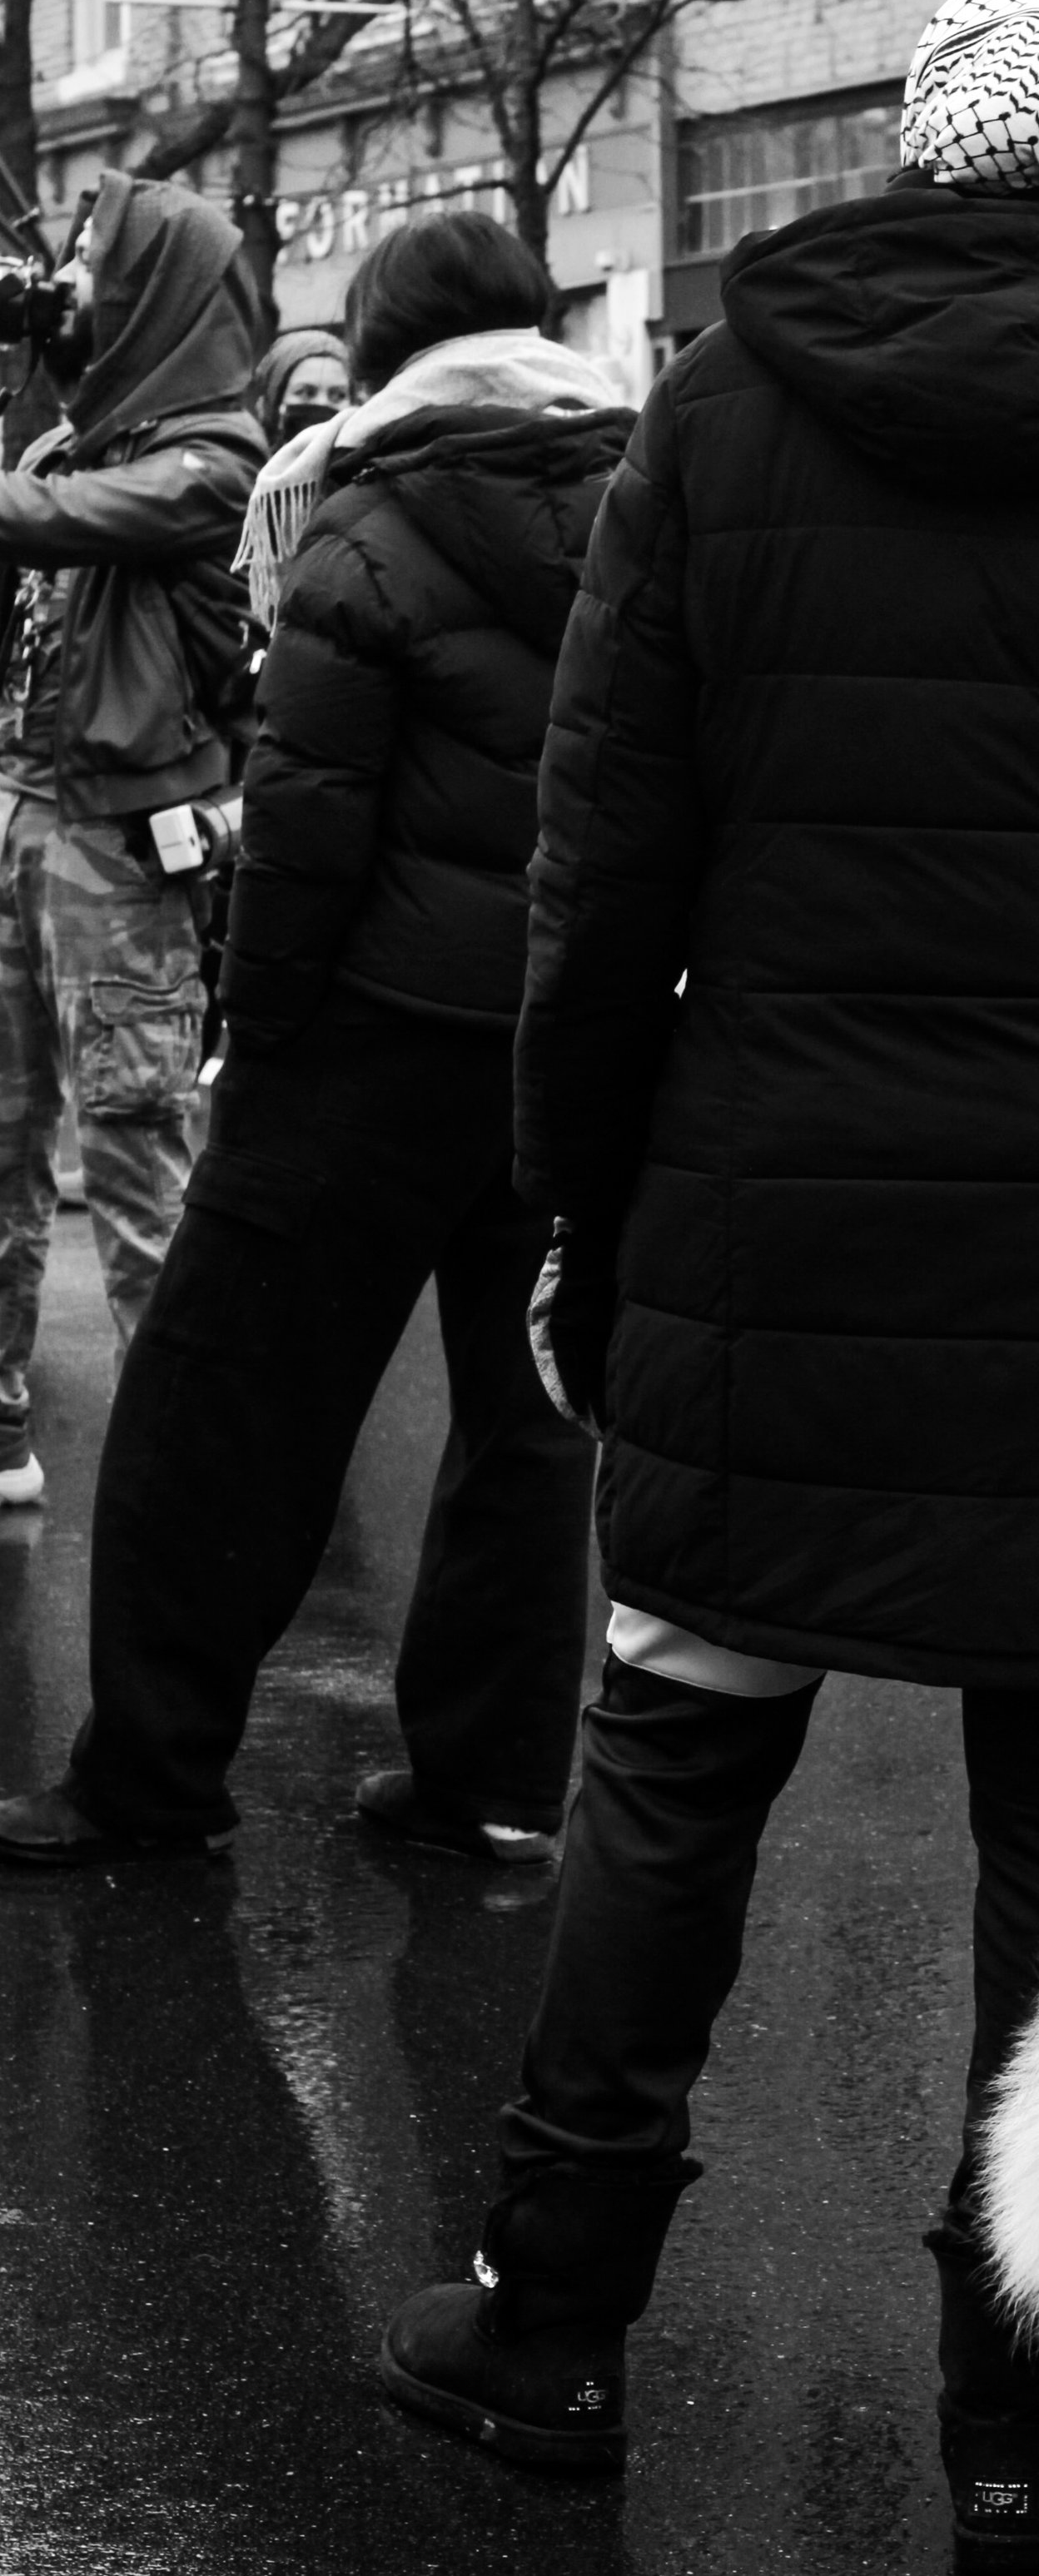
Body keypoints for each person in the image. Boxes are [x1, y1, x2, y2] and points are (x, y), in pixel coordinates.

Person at [375, 0, 1039, 2569]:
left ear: (928, 138)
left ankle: (553, 2305)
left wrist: (581, 1219)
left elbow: (598, 892)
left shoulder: (717, 425)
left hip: (769, 1217)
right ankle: (1016, 2396)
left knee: (672, 1758)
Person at [0, 209, 634, 1868]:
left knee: (220, 1401)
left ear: (383, 346)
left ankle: (149, 1775)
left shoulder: (349, 517)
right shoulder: (657, 507)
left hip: (374, 1033)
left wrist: (254, 1034)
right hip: (575, 1034)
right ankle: (491, 1785)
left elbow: (307, 820)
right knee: (528, 1418)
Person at [0, 173, 263, 1509]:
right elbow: (39, 484)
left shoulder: (216, 462)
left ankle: (190, 1477)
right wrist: (41, 369)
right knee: (2, 1145)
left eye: (101, 272)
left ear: (160, 291)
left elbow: (49, 517)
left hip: (120, 850)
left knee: (136, 1159)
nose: (77, 291)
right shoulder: (91, 437)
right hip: (21, 823)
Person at [254, 326, 351, 449]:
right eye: (306, 393)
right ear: (275, 401)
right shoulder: (247, 464)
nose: (322, 404)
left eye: (338, 395)